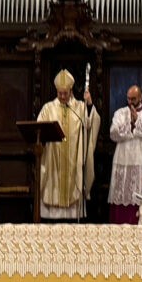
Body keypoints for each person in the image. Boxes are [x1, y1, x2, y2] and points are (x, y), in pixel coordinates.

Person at [34, 71, 98, 221]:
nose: (62, 96)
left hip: (73, 160)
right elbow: (38, 129)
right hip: (52, 159)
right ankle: (51, 217)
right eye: (60, 93)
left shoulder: (79, 108)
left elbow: (90, 123)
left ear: (71, 91)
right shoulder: (48, 108)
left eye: (65, 93)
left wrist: (89, 104)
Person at [106, 83, 142, 224]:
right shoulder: (120, 113)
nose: (130, 102)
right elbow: (113, 133)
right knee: (122, 195)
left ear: (141, 97)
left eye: (133, 99)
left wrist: (138, 121)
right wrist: (130, 124)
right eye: (128, 99)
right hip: (123, 159)